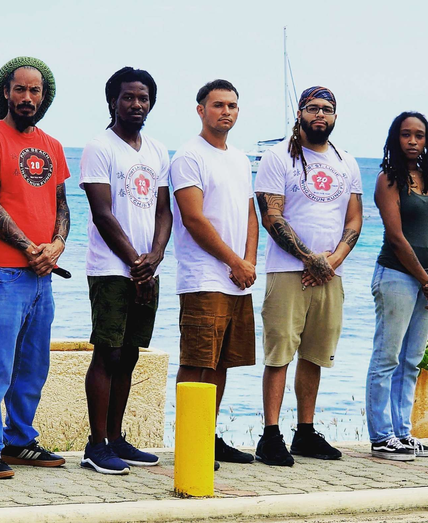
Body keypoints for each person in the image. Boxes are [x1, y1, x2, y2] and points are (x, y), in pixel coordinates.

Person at [0, 57, 70, 479]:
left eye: (36, 90)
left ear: (45, 97)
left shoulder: (53, 145)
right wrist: (30, 247)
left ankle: (19, 440)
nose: (27, 97)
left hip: (43, 275)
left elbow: (63, 205)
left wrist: (56, 246)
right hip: (4, 273)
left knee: (33, 365)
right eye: (20, 89)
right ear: (5, 93)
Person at [253, 86, 363, 466]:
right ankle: (270, 436)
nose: (320, 115)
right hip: (287, 271)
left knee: (315, 353)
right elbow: (272, 215)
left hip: (331, 273)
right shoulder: (277, 156)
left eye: (327, 110)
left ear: (335, 117)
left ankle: (305, 431)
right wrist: (307, 258)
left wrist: (331, 261)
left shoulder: (346, 161)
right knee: (280, 352)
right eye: (313, 108)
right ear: (299, 113)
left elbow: (354, 218)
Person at [79, 67, 171, 475]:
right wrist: (136, 262)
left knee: (130, 354)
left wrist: (156, 255)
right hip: (111, 268)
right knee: (109, 351)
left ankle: (116, 438)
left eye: (143, 98)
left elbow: (164, 211)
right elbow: (102, 213)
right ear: (112, 101)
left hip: (146, 269)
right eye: (129, 97)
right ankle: (95, 444)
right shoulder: (100, 147)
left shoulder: (156, 150)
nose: (137, 104)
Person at [170, 80, 258, 470]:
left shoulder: (239, 158)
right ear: (200, 109)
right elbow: (193, 218)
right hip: (205, 276)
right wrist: (233, 262)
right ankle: (189, 442)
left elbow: (250, 213)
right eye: (218, 104)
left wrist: (249, 262)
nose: (226, 111)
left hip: (238, 278)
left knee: (222, 362)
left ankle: (208, 436)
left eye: (233, 106)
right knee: (197, 361)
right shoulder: (189, 157)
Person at [366, 111, 428, 461]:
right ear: (395, 139)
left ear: (427, 140)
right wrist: (424, 279)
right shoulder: (388, 179)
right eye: (406, 135)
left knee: (412, 360)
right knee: (387, 358)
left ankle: (403, 433)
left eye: (419, 135)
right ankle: (382, 436)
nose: (413, 141)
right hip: (398, 277)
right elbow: (396, 237)